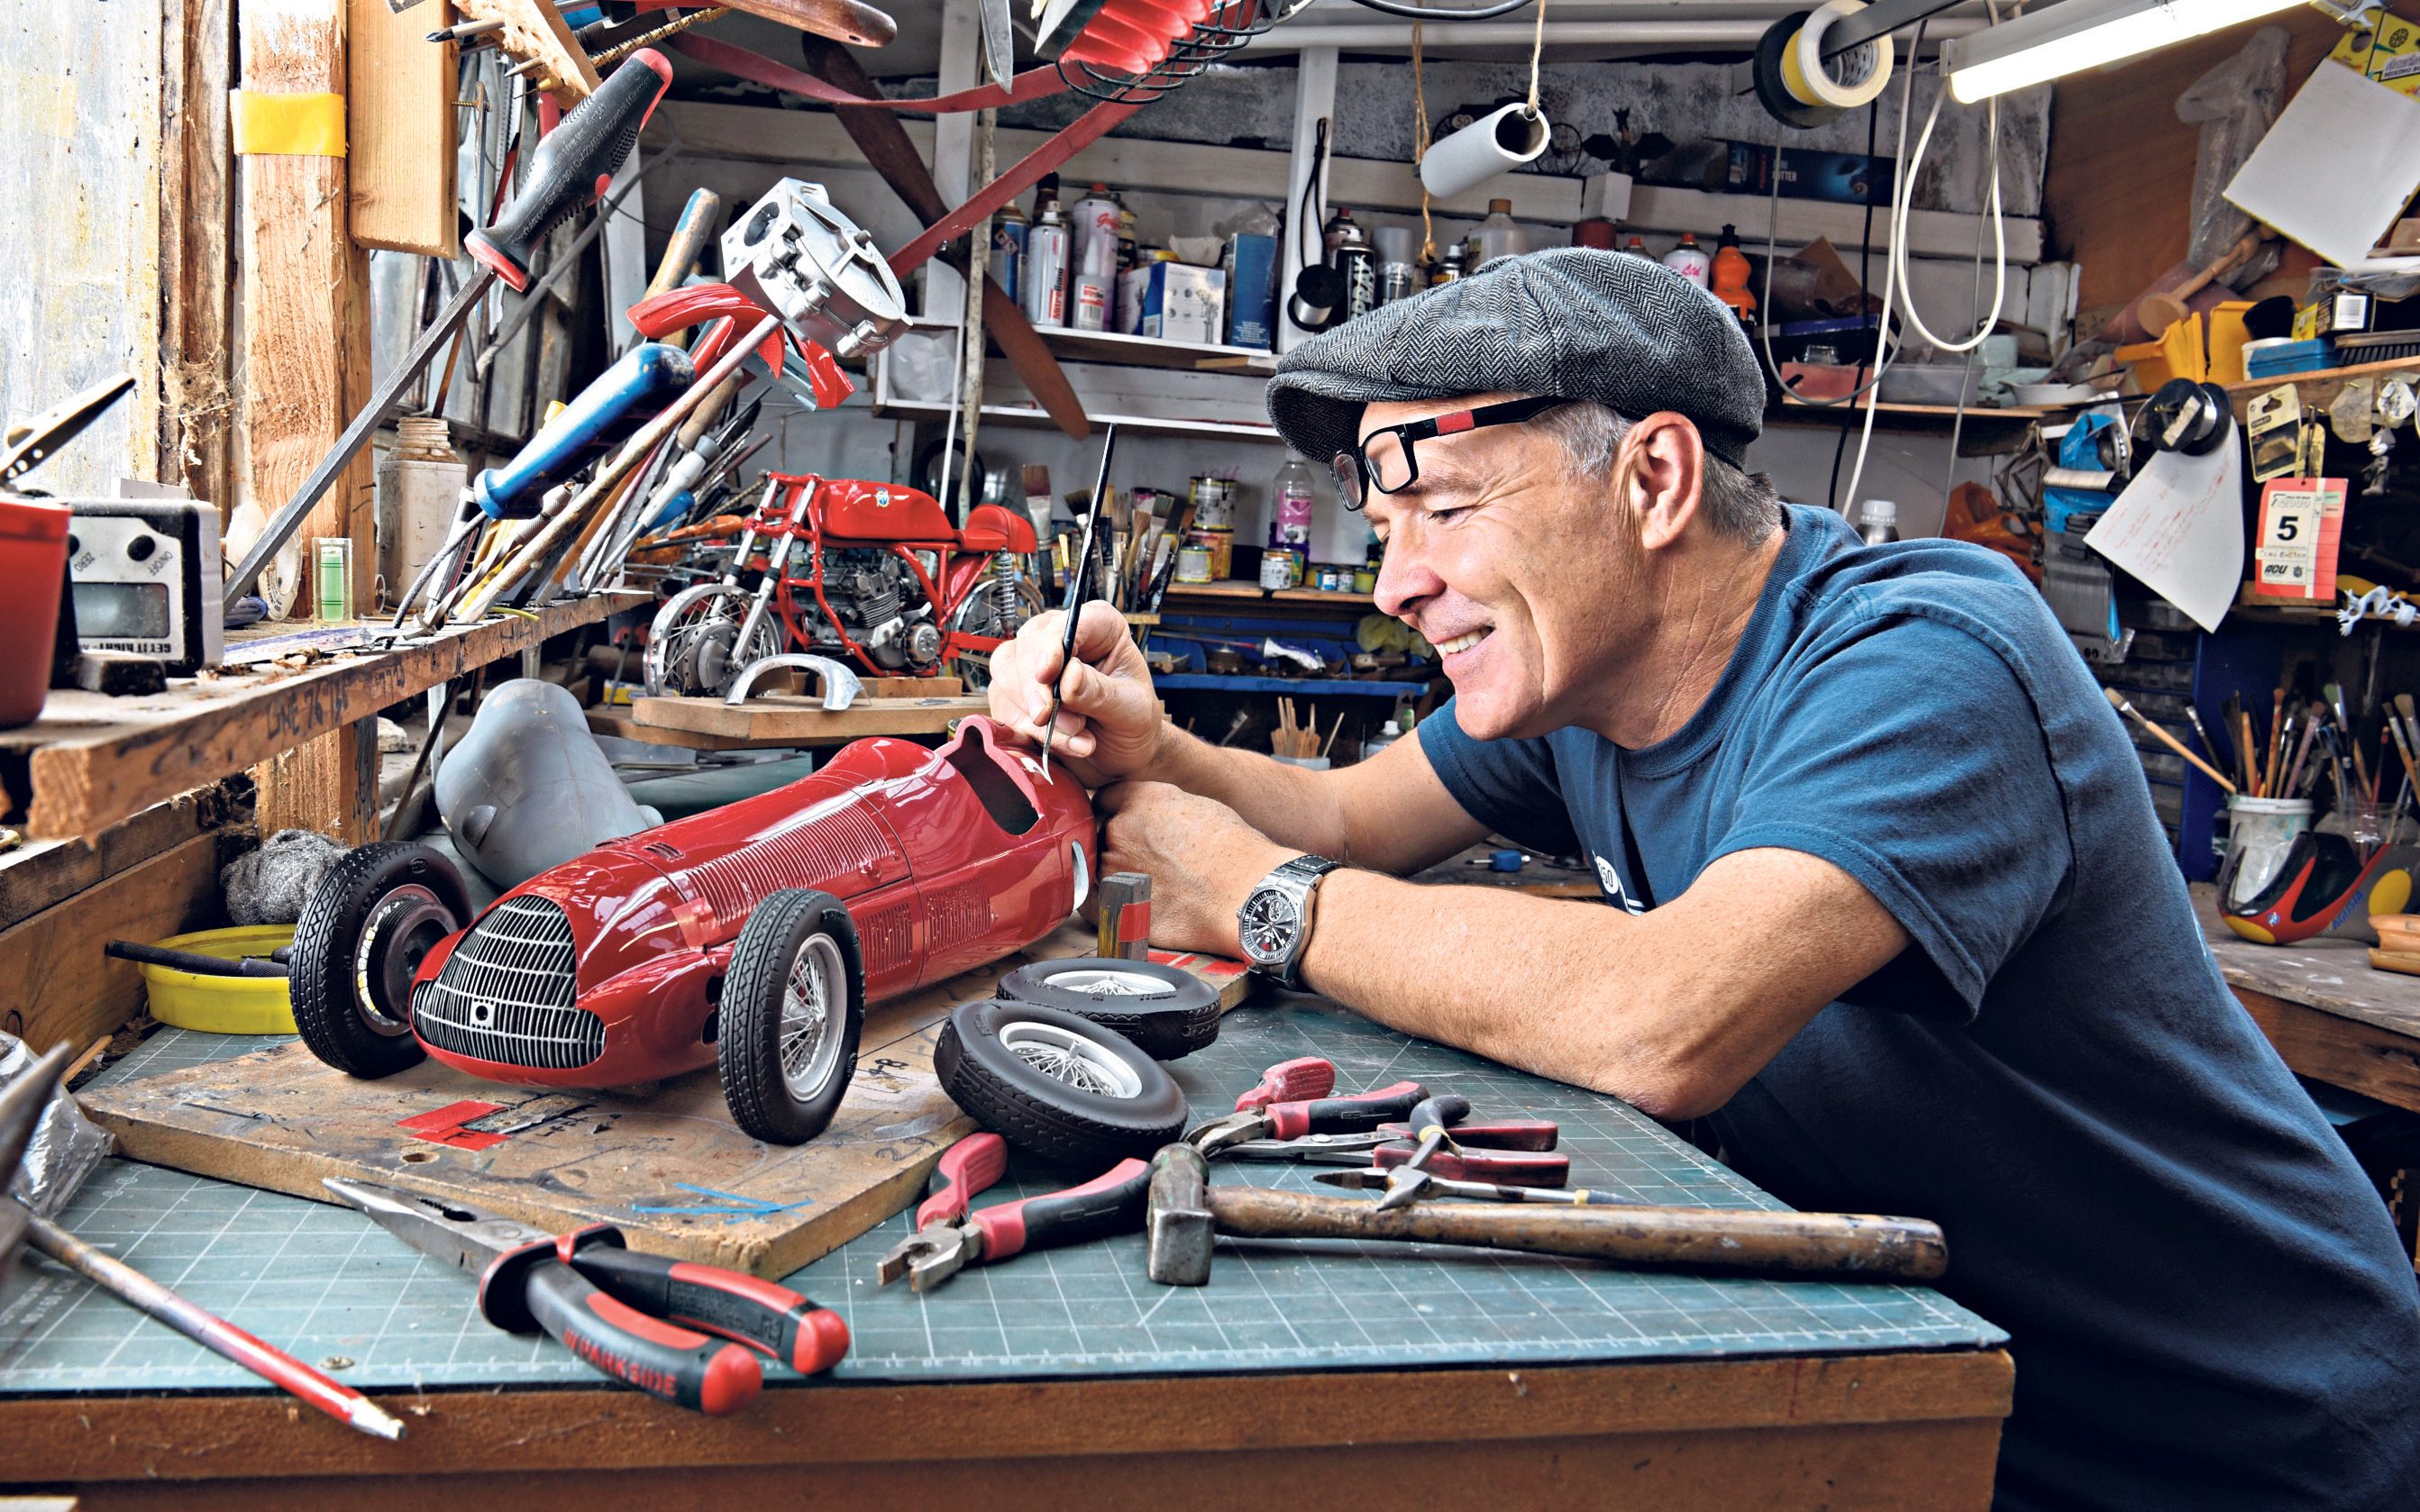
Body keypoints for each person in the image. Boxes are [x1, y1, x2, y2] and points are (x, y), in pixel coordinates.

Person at [987, 248, 2420, 1509]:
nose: (1392, 579)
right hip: (1959, 1394)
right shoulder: (1590, 693)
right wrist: (1157, 743)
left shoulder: (1924, 658)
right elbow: (1343, 814)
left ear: (1655, 480)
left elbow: (1662, 1021)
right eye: (1379, 518)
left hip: (2236, 1439)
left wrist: (1255, 894)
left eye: (1435, 505)